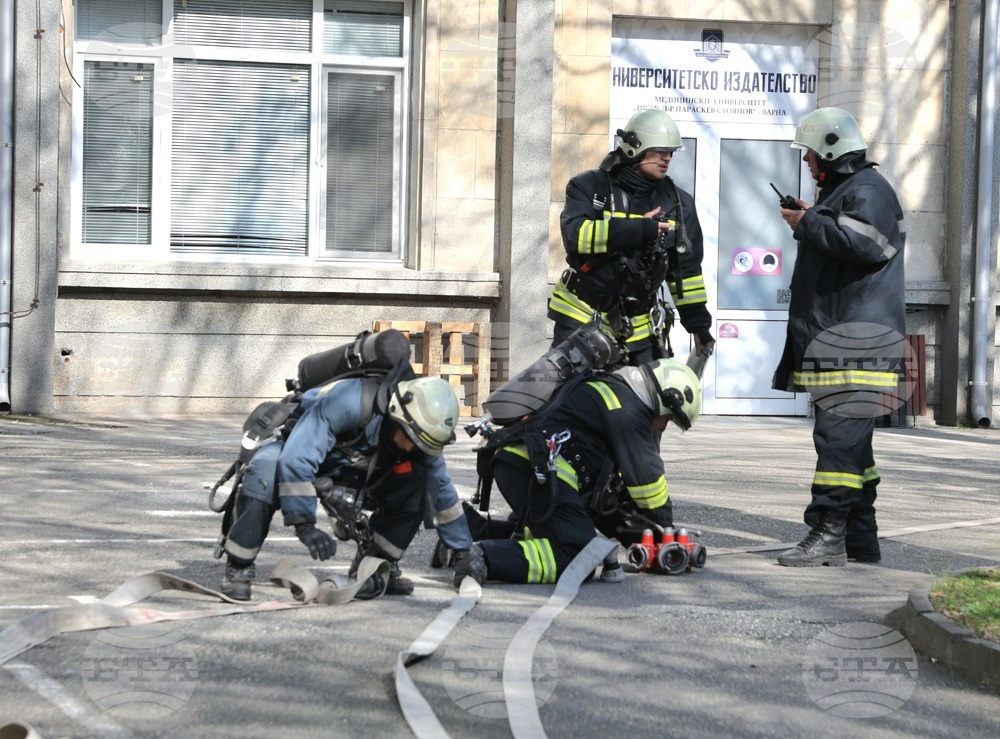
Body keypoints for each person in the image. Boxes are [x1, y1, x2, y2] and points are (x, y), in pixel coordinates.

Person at [773, 107, 906, 567]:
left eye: (809, 153)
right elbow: (846, 239)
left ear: (830, 151)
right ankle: (861, 539)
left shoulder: (869, 190)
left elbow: (867, 245)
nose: (806, 161)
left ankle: (827, 534)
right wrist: (814, 216)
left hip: (857, 339)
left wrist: (808, 223)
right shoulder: (849, 190)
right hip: (842, 336)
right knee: (851, 444)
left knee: (837, 441)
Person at [219, 373, 487, 599]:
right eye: (413, 440)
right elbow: (297, 458)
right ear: (398, 416)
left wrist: (463, 551)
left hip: (357, 470)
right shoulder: (348, 403)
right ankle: (239, 565)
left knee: (420, 484)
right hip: (299, 452)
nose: (414, 448)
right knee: (265, 472)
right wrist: (304, 524)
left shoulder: (420, 435)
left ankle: (375, 565)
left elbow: (442, 490)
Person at [465, 358, 702, 584]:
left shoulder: (608, 389)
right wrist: (666, 532)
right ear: (666, 399)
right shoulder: (628, 409)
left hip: (520, 463)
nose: (664, 426)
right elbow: (648, 483)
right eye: (669, 419)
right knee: (579, 553)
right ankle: (481, 557)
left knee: (549, 536)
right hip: (536, 469)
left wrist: (642, 538)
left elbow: (601, 500)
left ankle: (463, 530)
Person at [548, 108, 715, 365]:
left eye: (670, 152)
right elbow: (575, 237)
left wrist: (699, 325)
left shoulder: (678, 203)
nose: (667, 158)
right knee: (566, 388)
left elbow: (686, 272)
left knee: (643, 391)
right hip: (581, 317)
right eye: (659, 150)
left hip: (639, 328)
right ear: (633, 149)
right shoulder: (590, 187)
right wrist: (639, 229)